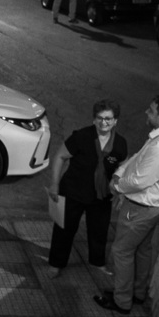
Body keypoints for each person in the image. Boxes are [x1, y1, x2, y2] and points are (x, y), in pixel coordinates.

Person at [94, 94, 159, 315]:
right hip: (153, 206)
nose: (147, 112)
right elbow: (138, 158)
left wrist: (117, 185)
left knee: (121, 251)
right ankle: (137, 292)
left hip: (140, 208)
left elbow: (139, 180)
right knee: (142, 250)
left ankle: (122, 300)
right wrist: (121, 171)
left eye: (151, 111)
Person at [46, 100, 128, 276]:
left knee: (99, 231)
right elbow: (60, 157)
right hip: (73, 191)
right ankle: (56, 263)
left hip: (101, 196)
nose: (103, 122)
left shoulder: (120, 144)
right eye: (99, 118)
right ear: (94, 120)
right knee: (64, 230)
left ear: (115, 121)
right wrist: (55, 184)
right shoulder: (81, 137)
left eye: (108, 119)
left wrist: (120, 191)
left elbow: (122, 168)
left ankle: (97, 262)